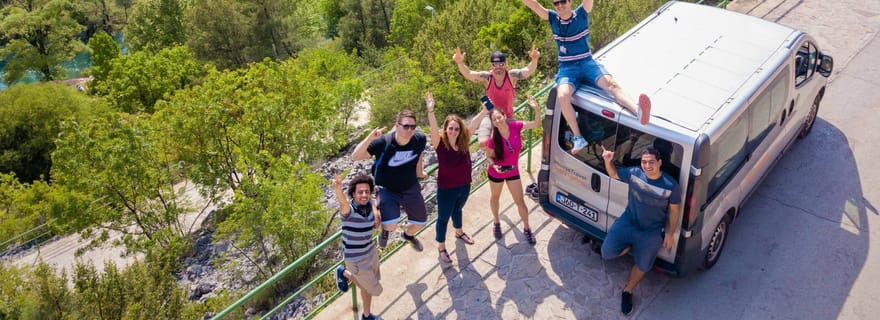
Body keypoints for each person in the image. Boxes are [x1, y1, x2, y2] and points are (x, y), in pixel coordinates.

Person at [521, 0, 652, 155]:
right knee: (562, 95)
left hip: (586, 62)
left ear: (569, 2)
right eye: (556, 3)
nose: (560, 5)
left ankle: (638, 112)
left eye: (563, 1)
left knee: (611, 84)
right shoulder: (552, 18)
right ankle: (578, 138)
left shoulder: (581, 14)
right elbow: (535, 5)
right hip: (567, 68)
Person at [599, 146, 681, 315]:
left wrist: (670, 234)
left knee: (643, 265)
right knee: (606, 253)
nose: (647, 165)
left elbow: (674, 211)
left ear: (659, 163)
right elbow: (614, 174)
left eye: (651, 162)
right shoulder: (634, 173)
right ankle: (630, 247)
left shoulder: (671, 185)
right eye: (644, 162)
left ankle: (628, 290)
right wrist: (608, 161)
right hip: (629, 221)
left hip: (651, 231)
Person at [424, 91, 488, 263]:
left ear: (460, 130)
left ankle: (459, 232)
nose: (453, 131)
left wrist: (484, 111)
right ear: (446, 129)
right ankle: (442, 247)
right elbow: (432, 130)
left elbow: (473, 123)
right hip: (446, 189)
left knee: (458, 210)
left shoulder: (464, 141)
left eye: (456, 128)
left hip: (464, 185)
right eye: (450, 128)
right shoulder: (440, 145)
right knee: (443, 218)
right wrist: (431, 111)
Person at [352, 110, 428, 252]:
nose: (410, 130)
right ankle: (385, 231)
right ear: (397, 126)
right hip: (387, 188)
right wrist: (370, 137)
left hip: (410, 186)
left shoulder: (419, 139)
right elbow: (355, 156)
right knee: (391, 224)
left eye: (413, 127)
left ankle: (407, 235)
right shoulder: (384, 142)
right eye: (406, 126)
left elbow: (419, 154)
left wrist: (419, 172)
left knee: (421, 222)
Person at [453, 46, 540, 149]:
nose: (498, 67)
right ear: (492, 65)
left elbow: (528, 71)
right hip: (489, 115)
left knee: (512, 145)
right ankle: (495, 145)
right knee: (482, 143)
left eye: (501, 64)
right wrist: (460, 63)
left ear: (505, 64)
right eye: (495, 64)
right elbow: (469, 74)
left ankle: (499, 150)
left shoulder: (511, 76)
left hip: (507, 116)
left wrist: (534, 59)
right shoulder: (487, 78)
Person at [486, 95, 543, 245]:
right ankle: (496, 222)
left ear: (504, 116)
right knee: (495, 197)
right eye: (494, 120)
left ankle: (527, 228)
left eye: (499, 117)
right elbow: (489, 158)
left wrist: (536, 109)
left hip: (512, 171)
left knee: (520, 202)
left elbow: (537, 124)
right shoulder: (493, 138)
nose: (498, 121)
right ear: (492, 123)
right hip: (496, 172)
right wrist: (495, 166)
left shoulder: (516, 126)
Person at [332, 174, 384, 320]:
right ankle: (344, 273)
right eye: (360, 192)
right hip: (355, 259)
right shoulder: (349, 212)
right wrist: (338, 189)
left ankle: (366, 316)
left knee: (367, 287)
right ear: (353, 194)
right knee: (373, 289)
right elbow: (343, 204)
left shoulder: (369, 206)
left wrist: (376, 214)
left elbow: (375, 212)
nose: (364, 195)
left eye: (367, 191)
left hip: (370, 252)